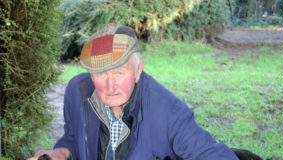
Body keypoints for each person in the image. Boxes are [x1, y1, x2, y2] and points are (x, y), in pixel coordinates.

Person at [28, 23, 239, 160]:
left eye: (119, 73)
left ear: (138, 70)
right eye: (100, 75)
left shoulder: (168, 111)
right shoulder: (77, 91)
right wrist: (59, 153)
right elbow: (73, 137)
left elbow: (213, 154)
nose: (110, 87)